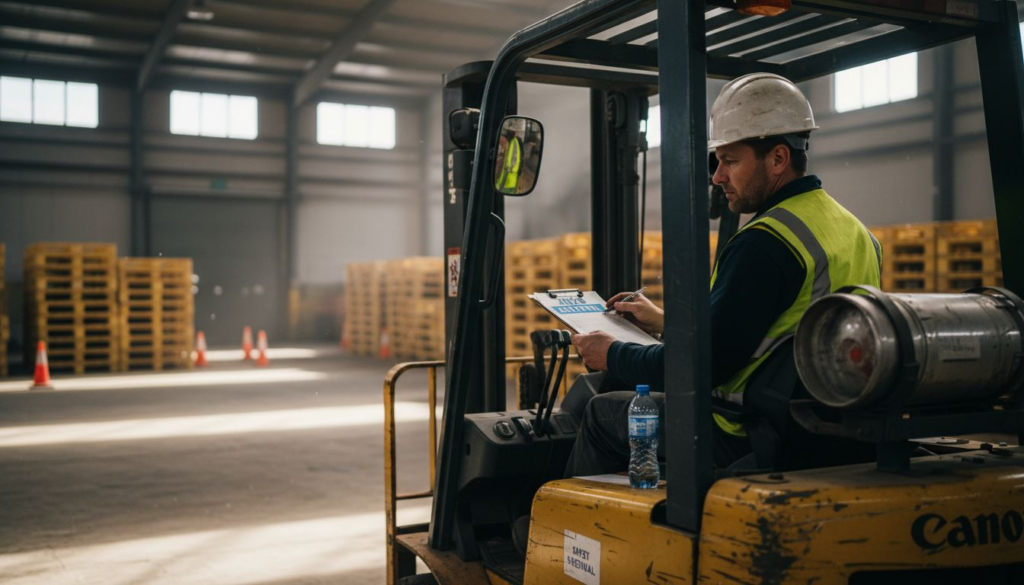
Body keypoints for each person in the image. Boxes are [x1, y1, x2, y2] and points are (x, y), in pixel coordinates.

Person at [565, 72, 883, 476]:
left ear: (779, 159)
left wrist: (611, 353)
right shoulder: (856, 232)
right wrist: (666, 322)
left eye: (730, 161)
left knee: (600, 411)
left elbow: (701, 365)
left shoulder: (767, 241)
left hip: (745, 431)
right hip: (822, 428)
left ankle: (573, 537)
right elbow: (779, 331)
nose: (717, 176)